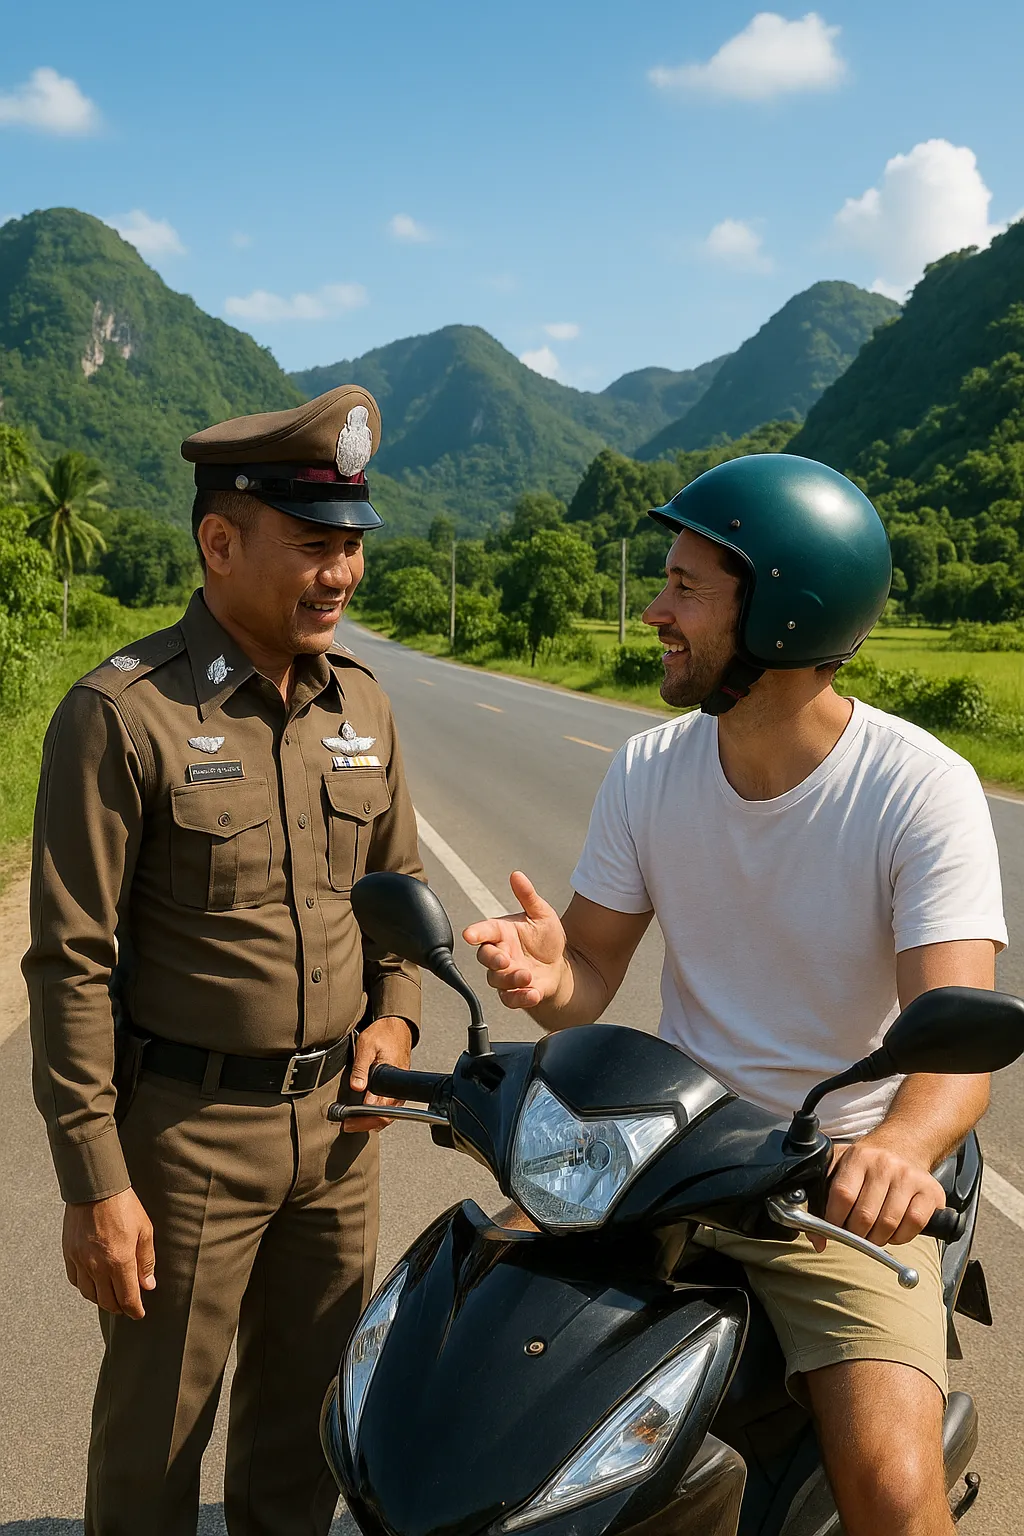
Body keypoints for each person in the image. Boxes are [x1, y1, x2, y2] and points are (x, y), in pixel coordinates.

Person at [464, 453, 1006, 1536]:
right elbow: (591, 974)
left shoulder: (917, 787)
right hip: (673, 1158)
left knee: (892, 1495)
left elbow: (954, 1044)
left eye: (684, 589)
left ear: (783, 614)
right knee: (473, 1351)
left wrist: (895, 1154)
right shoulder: (649, 768)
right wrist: (543, 972)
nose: (656, 611)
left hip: (834, 1188)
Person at [23, 384, 424, 1536]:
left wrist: (392, 1024)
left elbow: (398, 906)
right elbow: (69, 962)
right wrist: (96, 1181)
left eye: (351, 546)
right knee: (155, 1446)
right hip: (187, 1140)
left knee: (307, 1437)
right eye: (313, 546)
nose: (341, 574)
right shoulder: (122, 716)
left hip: (341, 1134)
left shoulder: (368, 709)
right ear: (219, 542)